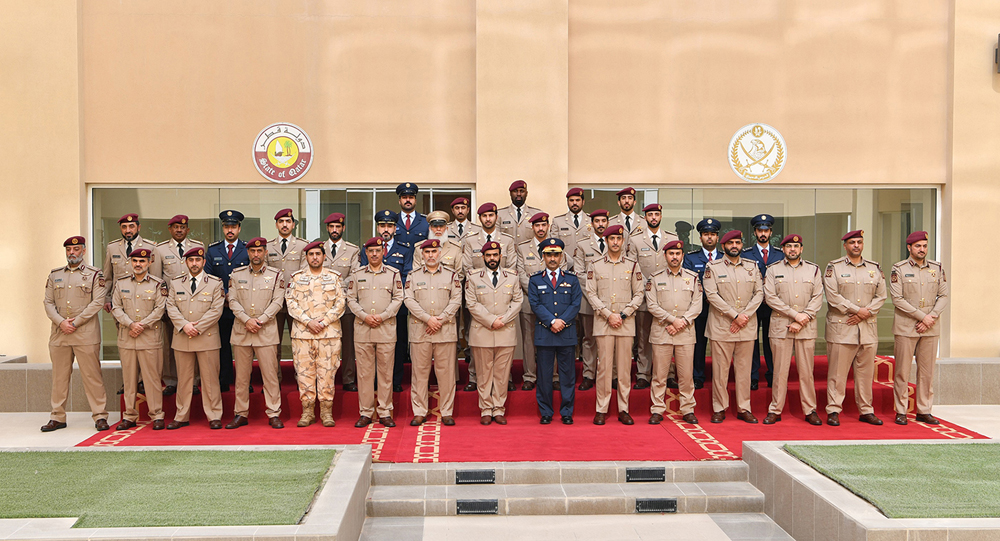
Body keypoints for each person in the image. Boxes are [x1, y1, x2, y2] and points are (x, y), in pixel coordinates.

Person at [42, 236, 110, 432]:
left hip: (85, 334)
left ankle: (100, 416)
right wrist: (61, 322)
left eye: (76, 249)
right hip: (59, 333)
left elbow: (97, 302)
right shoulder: (55, 275)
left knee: (92, 376)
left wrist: (76, 322)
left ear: (84, 251)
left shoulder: (95, 274)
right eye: (69, 249)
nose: (72, 252)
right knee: (59, 377)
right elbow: (48, 303)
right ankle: (57, 416)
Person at [823, 230, 887, 427]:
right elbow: (833, 296)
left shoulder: (874, 268)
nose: (856, 245)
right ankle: (834, 409)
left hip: (867, 329)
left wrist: (865, 313)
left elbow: (881, 296)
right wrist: (857, 310)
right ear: (845, 245)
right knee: (837, 374)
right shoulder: (834, 267)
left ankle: (866, 410)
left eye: (859, 242)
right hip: (842, 328)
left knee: (865, 374)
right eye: (852, 242)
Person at [702, 230, 763, 424]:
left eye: (737, 242)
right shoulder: (713, 267)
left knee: (744, 371)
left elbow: (759, 293)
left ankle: (744, 408)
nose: (734, 246)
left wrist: (743, 317)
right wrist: (734, 316)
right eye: (730, 243)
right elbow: (711, 295)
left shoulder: (752, 267)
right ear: (723, 246)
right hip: (722, 326)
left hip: (746, 326)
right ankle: (720, 408)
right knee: (720, 371)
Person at [762, 234, 823, 425]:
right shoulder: (773, 270)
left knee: (806, 371)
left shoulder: (813, 270)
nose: (792, 249)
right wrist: (795, 315)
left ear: (801, 249)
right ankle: (775, 409)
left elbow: (817, 297)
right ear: (783, 249)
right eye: (789, 246)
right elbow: (770, 297)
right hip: (781, 326)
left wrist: (802, 318)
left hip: (806, 326)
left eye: (796, 246)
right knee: (779, 371)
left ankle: (810, 409)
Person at [586, 224, 644, 426]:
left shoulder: (632, 265)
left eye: (619, 239)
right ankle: (601, 408)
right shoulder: (595, 265)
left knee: (624, 368)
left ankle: (623, 408)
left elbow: (639, 293)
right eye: (612, 239)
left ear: (623, 241)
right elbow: (591, 293)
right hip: (603, 323)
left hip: (625, 324)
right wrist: (608, 314)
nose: (616, 242)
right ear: (606, 241)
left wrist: (624, 313)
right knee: (603, 368)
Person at [890, 231, 949, 426]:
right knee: (902, 370)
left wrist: (930, 317)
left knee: (927, 372)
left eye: (924, 246)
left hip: (930, 327)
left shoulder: (937, 268)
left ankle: (924, 410)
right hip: (907, 326)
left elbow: (944, 296)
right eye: (917, 246)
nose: (921, 249)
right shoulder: (899, 269)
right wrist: (922, 316)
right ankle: (901, 410)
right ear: (909, 248)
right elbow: (897, 299)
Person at [285, 241, 346, 428]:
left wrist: (324, 322)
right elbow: (291, 302)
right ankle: (308, 411)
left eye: (318, 254)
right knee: (304, 374)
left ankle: (327, 412)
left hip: (328, 334)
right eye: (311, 254)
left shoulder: (334, 277)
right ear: (306, 257)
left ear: (324, 256)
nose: (314, 257)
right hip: (303, 334)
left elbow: (341, 302)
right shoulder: (296, 278)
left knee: (327, 373)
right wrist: (308, 322)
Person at [226, 237, 285, 429]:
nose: (256, 254)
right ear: (248, 253)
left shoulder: (276, 275)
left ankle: (274, 412)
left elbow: (278, 301)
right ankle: (241, 413)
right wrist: (247, 320)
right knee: (242, 377)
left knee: (270, 376)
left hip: (265, 330)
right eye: (252, 251)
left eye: (260, 251)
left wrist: (261, 320)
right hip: (243, 330)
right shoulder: (236, 274)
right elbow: (232, 301)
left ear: (266, 252)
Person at [164, 246, 225, 430]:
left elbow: (216, 310)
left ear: (204, 262)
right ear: (186, 262)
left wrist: (197, 327)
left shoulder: (215, 283)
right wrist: (185, 325)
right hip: (183, 337)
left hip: (206, 337)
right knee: (183, 379)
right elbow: (171, 306)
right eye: (191, 260)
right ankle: (181, 415)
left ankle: (214, 415)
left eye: (198, 260)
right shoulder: (175, 283)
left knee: (210, 379)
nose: (194, 263)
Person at [346, 237, 404, 428]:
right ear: (366, 253)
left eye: (378, 250)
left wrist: (384, 315)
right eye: (370, 251)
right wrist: (364, 316)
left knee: (386, 373)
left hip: (385, 329)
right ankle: (366, 412)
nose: (374, 254)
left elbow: (398, 298)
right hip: (363, 330)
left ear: (383, 252)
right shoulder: (357, 274)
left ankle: (385, 411)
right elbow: (351, 299)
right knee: (364, 374)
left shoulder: (393, 274)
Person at [404, 239, 463, 426]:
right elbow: (408, 299)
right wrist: (427, 319)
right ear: (422, 254)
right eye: (427, 252)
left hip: (444, 330)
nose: (431, 255)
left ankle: (447, 411)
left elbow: (456, 299)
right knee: (420, 373)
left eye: (434, 251)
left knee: (446, 373)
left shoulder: (451, 275)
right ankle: (419, 411)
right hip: (420, 330)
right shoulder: (412, 276)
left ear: (440, 253)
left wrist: (440, 319)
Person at [645, 240, 702, 425]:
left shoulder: (693, 277)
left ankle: (687, 409)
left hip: (685, 333)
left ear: (682, 256)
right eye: (671, 254)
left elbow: (697, 305)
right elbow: (652, 305)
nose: (674, 257)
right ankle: (657, 409)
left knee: (686, 376)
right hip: (662, 332)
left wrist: (681, 322)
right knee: (660, 375)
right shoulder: (655, 278)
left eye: (678, 253)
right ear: (665, 256)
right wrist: (672, 320)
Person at [465, 240, 522, 425]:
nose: (492, 258)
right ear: (483, 257)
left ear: (500, 256)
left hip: (505, 331)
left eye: (495, 255)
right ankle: (485, 409)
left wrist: (502, 320)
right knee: (483, 374)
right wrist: (491, 320)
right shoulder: (473, 277)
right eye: (488, 255)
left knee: (502, 374)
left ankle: (499, 408)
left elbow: (517, 302)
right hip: (482, 332)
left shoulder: (512, 277)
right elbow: (471, 304)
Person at [110, 248, 167, 430]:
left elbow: (160, 309)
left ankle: (157, 415)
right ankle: (129, 416)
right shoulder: (121, 283)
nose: (138, 264)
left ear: (149, 263)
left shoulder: (158, 284)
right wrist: (130, 324)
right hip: (127, 338)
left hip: (149, 338)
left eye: (142, 261)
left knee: (152, 379)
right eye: (135, 261)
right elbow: (116, 307)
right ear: (130, 263)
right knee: (129, 379)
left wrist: (141, 325)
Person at [462, 202, 516, 392]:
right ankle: (474, 377)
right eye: (484, 216)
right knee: (475, 337)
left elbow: (512, 269)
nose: (488, 219)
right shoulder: (470, 241)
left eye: (491, 215)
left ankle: (505, 377)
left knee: (503, 342)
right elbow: (467, 268)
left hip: (503, 294)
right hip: (478, 295)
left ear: (496, 217)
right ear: (480, 219)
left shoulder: (507, 241)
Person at [528, 238, 582, 425]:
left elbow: (576, 304)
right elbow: (535, 304)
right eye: (549, 254)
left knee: (567, 376)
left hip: (566, 333)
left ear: (561, 257)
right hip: (546, 333)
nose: (552, 258)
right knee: (544, 376)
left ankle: (567, 411)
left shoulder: (571, 279)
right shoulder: (535, 280)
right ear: (543, 256)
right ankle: (546, 412)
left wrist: (561, 321)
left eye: (556, 255)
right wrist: (552, 321)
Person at [360, 210, 413, 393]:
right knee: (372, 344)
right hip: (373, 306)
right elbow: (363, 274)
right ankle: (374, 379)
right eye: (382, 225)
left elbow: (406, 276)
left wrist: (394, 301)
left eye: (390, 226)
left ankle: (395, 380)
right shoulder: (367, 248)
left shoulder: (404, 249)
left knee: (397, 344)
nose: (386, 229)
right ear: (377, 227)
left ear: (395, 228)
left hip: (397, 306)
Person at [516, 212, 568, 391]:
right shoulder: (523, 248)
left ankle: (554, 376)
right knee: (529, 341)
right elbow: (521, 275)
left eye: (543, 225)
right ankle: (530, 376)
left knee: (553, 338)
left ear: (548, 226)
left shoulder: (558, 248)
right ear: (532, 228)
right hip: (529, 303)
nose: (540, 228)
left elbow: (562, 271)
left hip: (553, 304)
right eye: (537, 225)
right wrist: (536, 294)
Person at [631, 203, 679, 390]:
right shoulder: (636, 240)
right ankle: (643, 373)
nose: (653, 217)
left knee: (669, 336)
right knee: (643, 337)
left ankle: (669, 373)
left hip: (668, 297)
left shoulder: (671, 238)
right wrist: (649, 289)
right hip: (644, 296)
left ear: (660, 216)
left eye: (656, 214)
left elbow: (675, 266)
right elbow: (634, 269)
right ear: (645, 217)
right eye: (650, 214)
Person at [156, 214, 204, 396]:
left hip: (196, 305)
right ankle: (171, 380)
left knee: (195, 344)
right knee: (169, 344)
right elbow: (158, 280)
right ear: (170, 229)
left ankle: (193, 380)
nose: (179, 230)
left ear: (187, 230)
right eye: (175, 227)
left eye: (182, 227)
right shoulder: (160, 249)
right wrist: (162, 307)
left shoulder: (198, 247)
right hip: (171, 306)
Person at [205, 209, 249, 392]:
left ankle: (244, 381)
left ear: (239, 228)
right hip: (221, 307)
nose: (230, 230)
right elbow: (208, 277)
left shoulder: (247, 249)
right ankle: (224, 378)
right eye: (226, 227)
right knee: (222, 344)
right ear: (223, 228)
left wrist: (234, 297)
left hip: (242, 307)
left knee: (243, 346)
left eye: (233, 226)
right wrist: (223, 295)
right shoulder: (213, 249)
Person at [742, 214, 784, 390]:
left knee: (771, 340)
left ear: (771, 232)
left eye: (766, 230)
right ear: (755, 233)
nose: (763, 234)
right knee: (751, 341)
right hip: (752, 305)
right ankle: (752, 375)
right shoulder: (746, 254)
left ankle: (772, 373)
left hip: (774, 307)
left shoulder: (780, 254)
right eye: (760, 230)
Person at [572, 209, 611, 391]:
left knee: (609, 339)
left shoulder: (615, 242)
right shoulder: (582, 245)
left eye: (604, 220)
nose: (601, 224)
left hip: (611, 302)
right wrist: (594, 298)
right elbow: (579, 274)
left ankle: (610, 374)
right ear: (592, 224)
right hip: (588, 301)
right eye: (597, 221)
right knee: (589, 338)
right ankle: (589, 374)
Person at [322, 212, 361, 392]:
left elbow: (354, 276)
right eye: (332, 227)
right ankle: (324, 378)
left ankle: (348, 378)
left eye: (338, 227)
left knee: (347, 344)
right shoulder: (319, 249)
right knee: (325, 343)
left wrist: (333, 285)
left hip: (345, 304)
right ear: (328, 228)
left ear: (343, 228)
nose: (335, 230)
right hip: (322, 306)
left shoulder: (352, 250)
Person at [266, 208, 309, 371]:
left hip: (296, 303)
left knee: (299, 343)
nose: (285, 225)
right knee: (273, 344)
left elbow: (304, 274)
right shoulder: (268, 246)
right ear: (276, 225)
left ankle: (301, 379)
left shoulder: (303, 245)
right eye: (281, 221)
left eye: (288, 221)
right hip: (274, 304)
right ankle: (274, 380)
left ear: (293, 225)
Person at [683, 218, 722, 390]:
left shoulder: (724, 257)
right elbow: (689, 282)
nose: (709, 238)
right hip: (700, 309)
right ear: (700, 238)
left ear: (717, 238)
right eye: (706, 234)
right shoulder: (691, 258)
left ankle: (720, 376)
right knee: (698, 344)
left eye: (712, 234)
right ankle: (698, 375)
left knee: (721, 345)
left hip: (721, 311)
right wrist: (707, 297)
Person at [103, 213, 160, 311]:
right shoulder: (112, 247)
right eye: (124, 227)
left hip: (144, 300)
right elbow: (108, 277)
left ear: (139, 227)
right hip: (119, 301)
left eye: (131, 226)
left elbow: (156, 277)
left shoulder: (150, 247)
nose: (128, 230)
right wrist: (107, 298)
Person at [498, 180, 542, 248]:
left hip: (529, 256)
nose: (518, 194)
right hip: (508, 256)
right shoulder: (500, 215)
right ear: (510, 193)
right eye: (515, 191)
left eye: (522, 191)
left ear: (526, 193)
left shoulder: (536, 214)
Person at [550, 187, 588, 263]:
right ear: (567, 202)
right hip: (565, 266)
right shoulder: (558, 221)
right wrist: (570, 264)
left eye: (577, 200)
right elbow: (555, 246)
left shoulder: (591, 221)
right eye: (571, 200)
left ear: (583, 202)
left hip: (587, 266)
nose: (574, 203)